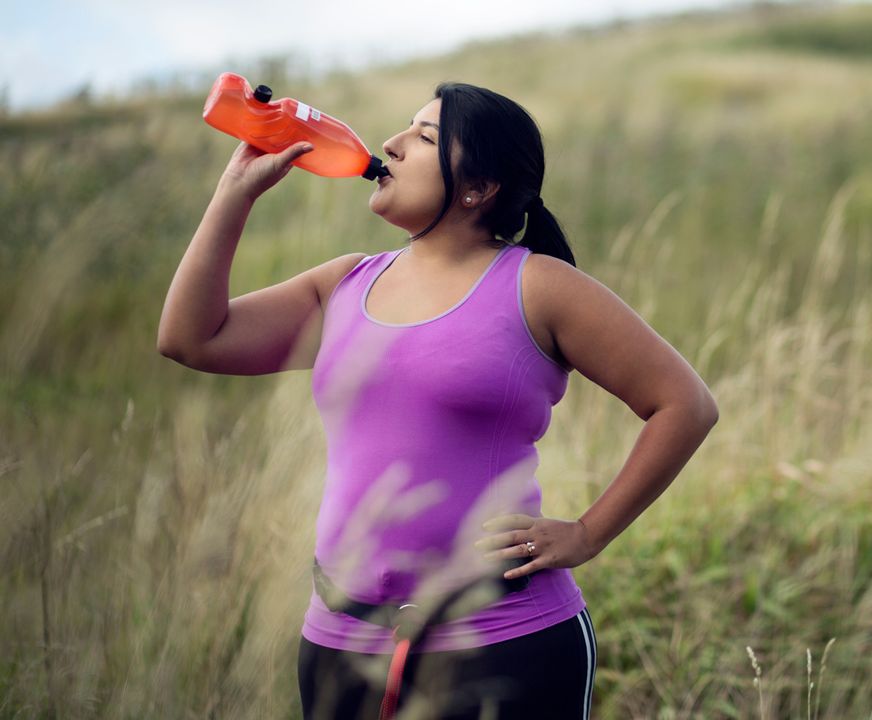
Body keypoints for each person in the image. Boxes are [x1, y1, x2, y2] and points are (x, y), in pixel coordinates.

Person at [156, 81, 719, 719]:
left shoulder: (540, 286)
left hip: (507, 643)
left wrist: (589, 533)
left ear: (477, 189)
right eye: (405, 128)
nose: (391, 144)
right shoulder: (342, 284)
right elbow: (190, 339)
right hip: (342, 642)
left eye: (424, 137)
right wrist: (235, 195)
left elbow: (685, 404)